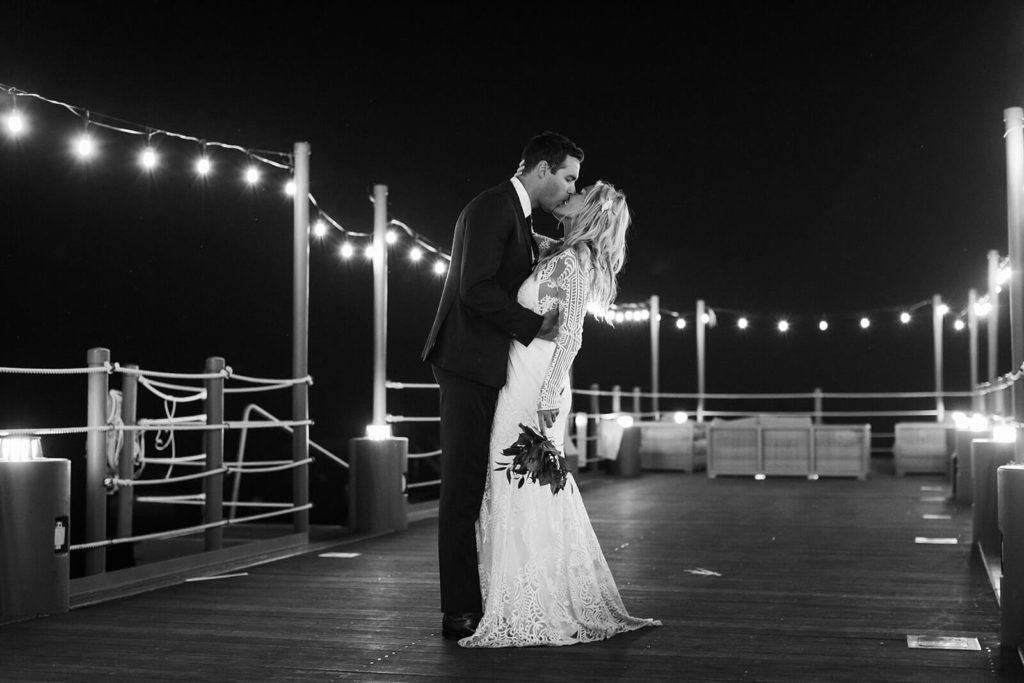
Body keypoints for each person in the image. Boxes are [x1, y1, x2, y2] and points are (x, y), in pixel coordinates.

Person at [459, 181, 661, 648]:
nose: (571, 193)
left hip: (537, 386)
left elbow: (571, 336)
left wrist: (548, 395)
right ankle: (518, 593)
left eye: (579, 191)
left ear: (588, 211)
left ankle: (535, 601)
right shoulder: (559, 253)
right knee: (513, 483)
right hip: (520, 375)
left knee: (520, 481)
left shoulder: (571, 263)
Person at [421, 131, 584, 640]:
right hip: (467, 364)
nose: (570, 189)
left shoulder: (514, 215)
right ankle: (460, 612)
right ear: (541, 169)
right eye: (568, 177)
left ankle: (478, 601)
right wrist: (536, 327)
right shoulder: (493, 207)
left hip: (483, 367)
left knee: (475, 484)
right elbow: (475, 289)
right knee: (463, 489)